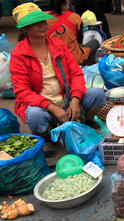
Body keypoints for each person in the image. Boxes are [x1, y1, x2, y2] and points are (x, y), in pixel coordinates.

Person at [9, 2, 106, 157]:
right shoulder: (18, 55)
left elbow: (76, 74)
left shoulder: (58, 45)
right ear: (25, 29)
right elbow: (22, 91)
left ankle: (83, 120)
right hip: (42, 104)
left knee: (98, 94)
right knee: (35, 115)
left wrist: (74, 100)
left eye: (42, 21)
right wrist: (52, 107)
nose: (42, 26)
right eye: (36, 24)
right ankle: (45, 137)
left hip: (65, 97)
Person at [46, 0, 100, 66]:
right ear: (66, 2)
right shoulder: (75, 17)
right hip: (74, 59)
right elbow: (80, 40)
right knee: (95, 42)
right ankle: (85, 67)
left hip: (53, 60)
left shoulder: (44, 19)